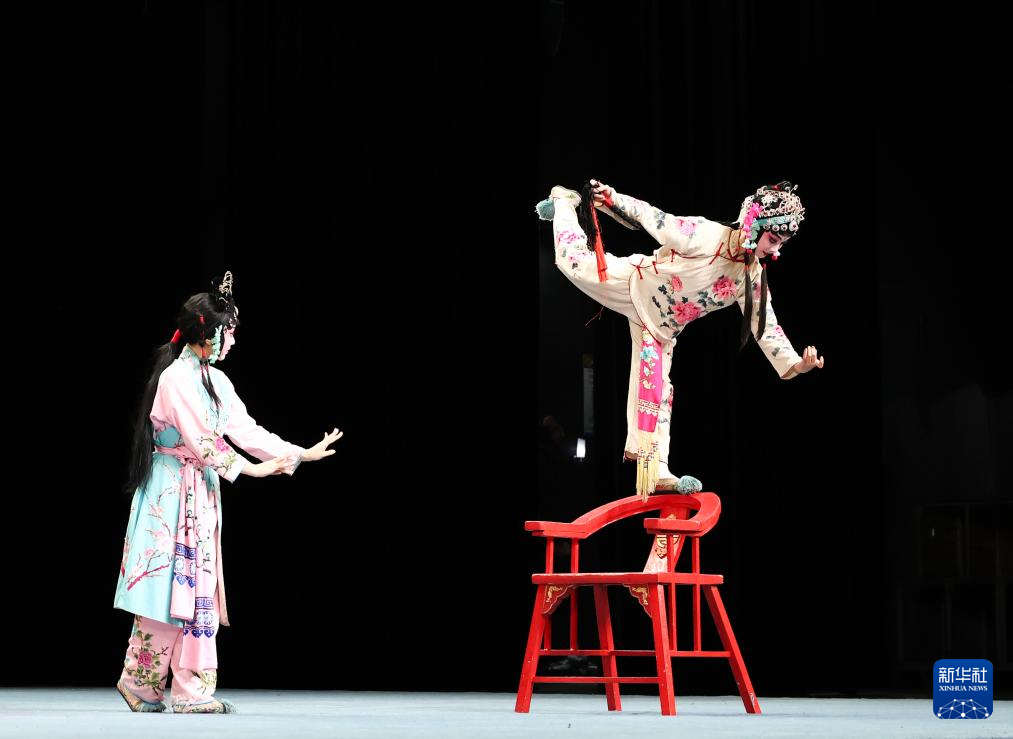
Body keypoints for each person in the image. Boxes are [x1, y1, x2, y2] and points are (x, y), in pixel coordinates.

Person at [112, 271, 343, 713]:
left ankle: (187, 690)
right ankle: (142, 683)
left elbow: (245, 430)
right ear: (207, 335)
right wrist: (252, 470)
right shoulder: (175, 379)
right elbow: (202, 439)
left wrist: (298, 453)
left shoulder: (216, 382)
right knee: (166, 590)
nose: (233, 341)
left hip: (198, 491)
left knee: (196, 588)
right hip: (170, 494)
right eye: (229, 332)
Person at [536, 180, 824, 498]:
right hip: (634, 286)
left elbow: (765, 324)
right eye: (773, 240)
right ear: (753, 224)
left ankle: (657, 470)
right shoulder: (708, 235)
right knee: (574, 263)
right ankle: (562, 202)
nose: (775, 250)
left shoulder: (750, 275)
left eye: (781, 244)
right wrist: (614, 199)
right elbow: (656, 219)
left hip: (661, 329)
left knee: (659, 391)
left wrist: (796, 363)